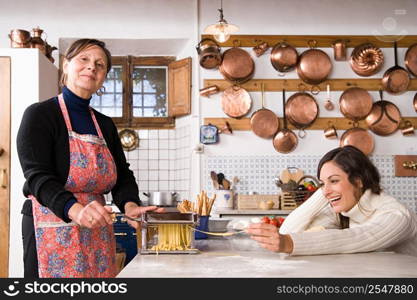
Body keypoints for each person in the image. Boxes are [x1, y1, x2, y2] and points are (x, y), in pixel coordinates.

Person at [17, 38, 162, 278]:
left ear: (104, 76)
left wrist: (130, 205)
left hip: (96, 227)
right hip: (50, 223)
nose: (91, 67)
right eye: (83, 59)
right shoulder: (40, 115)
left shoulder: (104, 124)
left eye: (100, 64)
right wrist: (74, 210)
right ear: (66, 65)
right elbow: (37, 176)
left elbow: (122, 175)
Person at [247, 145, 417, 256]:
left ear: (358, 181)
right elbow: (288, 230)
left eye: (334, 180)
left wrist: (289, 243)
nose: (325, 190)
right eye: (322, 183)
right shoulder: (345, 211)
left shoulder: (397, 215)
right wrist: (325, 190)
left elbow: (357, 237)